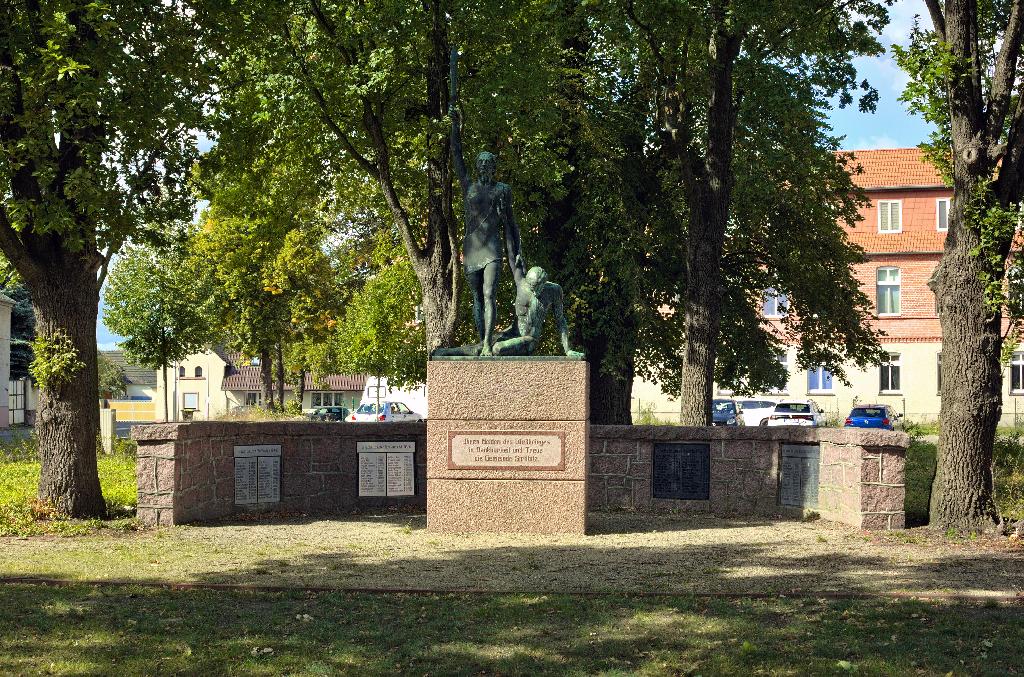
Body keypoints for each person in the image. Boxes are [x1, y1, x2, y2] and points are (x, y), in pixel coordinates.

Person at [450, 49, 525, 356]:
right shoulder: (467, 185)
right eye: (479, 164)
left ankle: (484, 345)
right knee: (475, 299)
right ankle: (483, 339)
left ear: (493, 168)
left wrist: (517, 254)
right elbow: (456, 153)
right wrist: (454, 124)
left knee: (489, 292)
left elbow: (511, 224)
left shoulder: (501, 190)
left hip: (492, 247)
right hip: (471, 247)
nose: (482, 168)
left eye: (487, 164)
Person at [491, 266, 584, 359]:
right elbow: (514, 260)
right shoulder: (522, 284)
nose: (534, 291)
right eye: (531, 287)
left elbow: (560, 321)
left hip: (529, 339)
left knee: (497, 349)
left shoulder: (554, 291)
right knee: (478, 348)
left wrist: (568, 350)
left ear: (543, 282)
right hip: (512, 333)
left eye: (536, 287)